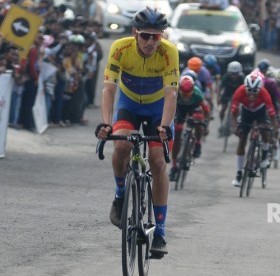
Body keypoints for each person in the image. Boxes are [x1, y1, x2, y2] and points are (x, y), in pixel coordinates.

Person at [94, 7, 177, 259]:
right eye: (145, 36)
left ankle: (160, 232)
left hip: (157, 110)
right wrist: (106, 123)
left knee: (158, 162)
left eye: (156, 36)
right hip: (128, 105)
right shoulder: (120, 48)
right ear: (134, 33)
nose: (151, 42)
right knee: (121, 146)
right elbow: (109, 88)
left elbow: (171, 94)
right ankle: (120, 195)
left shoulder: (169, 52)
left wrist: (163, 126)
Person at [231, 73, 277, 187]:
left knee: (265, 132)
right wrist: (234, 126)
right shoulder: (240, 91)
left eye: (255, 91)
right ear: (245, 87)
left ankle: (265, 155)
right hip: (246, 112)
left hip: (260, 112)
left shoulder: (264, 93)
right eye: (249, 91)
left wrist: (273, 128)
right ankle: (239, 173)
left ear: (260, 89)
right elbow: (234, 111)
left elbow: (271, 113)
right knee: (242, 140)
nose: (251, 94)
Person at [169, 75, 210, 181]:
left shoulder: (197, 93)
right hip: (179, 109)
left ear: (193, 90)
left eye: (188, 94)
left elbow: (206, 110)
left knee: (198, 120)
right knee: (177, 132)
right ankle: (174, 166)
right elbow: (168, 107)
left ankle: (197, 143)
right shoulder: (175, 92)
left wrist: (205, 123)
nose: (186, 97)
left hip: (193, 108)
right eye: (184, 94)